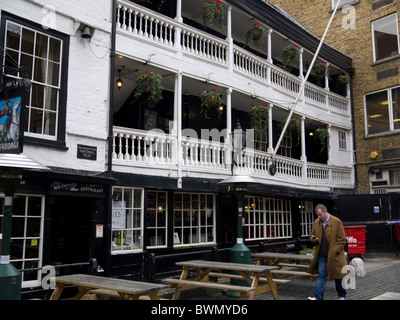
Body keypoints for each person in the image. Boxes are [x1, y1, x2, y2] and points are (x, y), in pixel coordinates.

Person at [307, 204, 348, 300]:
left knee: (338, 275)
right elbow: (312, 234)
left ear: (325, 212)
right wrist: (313, 238)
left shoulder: (336, 222)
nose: (319, 217)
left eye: (320, 214)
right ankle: (318, 297)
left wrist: (335, 250)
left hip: (335, 255)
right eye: (317, 215)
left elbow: (342, 240)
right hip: (322, 254)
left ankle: (342, 296)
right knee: (321, 275)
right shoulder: (317, 222)